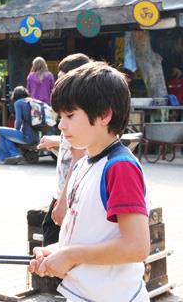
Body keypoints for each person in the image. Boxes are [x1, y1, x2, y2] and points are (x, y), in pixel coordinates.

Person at [29, 61, 150, 302]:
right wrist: (55, 252)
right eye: (60, 116)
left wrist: (71, 255)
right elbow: (90, 237)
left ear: (105, 114)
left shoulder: (120, 167)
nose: (61, 125)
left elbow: (137, 247)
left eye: (70, 115)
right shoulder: (84, 163)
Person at [36, 53, 90, 246]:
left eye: (61, 78)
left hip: (70, 192)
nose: (57, 83)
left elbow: (79, 155)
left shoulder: (80, 109)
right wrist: (56, 142)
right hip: (66, 190)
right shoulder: (76, 106)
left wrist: (63, 200)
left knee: (54, 244)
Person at [0, 86, 40, 165]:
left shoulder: (18, 102)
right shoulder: (31, 101)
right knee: (6, 137)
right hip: (35, 137)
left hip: (26, 136)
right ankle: (13, 156)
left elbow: (18, 121)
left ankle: (6, 157)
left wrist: (16, 130)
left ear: (15, 95)